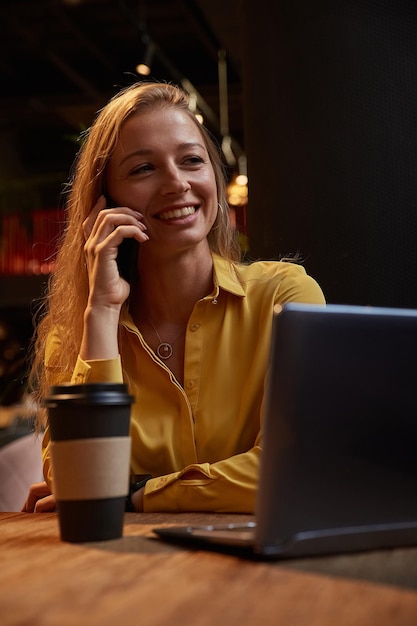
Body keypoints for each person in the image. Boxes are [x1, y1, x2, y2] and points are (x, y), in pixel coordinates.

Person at [22, 81, 325, 514]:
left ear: (215, 183)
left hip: (266, 571)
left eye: (191, 161)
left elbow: (301, 467)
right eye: (143, 169)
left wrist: (134, 494)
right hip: (131, 574)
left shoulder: (285, 297)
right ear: (106, 203)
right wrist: (103, 310)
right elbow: (81, 486)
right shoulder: (79, 334)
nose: (176, 183)